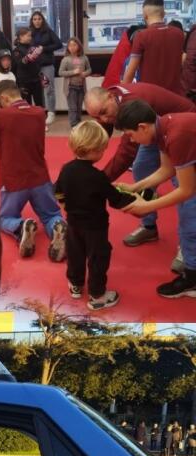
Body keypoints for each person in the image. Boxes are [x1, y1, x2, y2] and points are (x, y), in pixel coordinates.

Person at [0, 80, 67, 261]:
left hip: (14, 180)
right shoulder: (40, 113)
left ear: (3, 98)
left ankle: (20, 226)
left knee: (5, 218)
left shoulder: (1, 117)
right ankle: (58, 226)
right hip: (41, 177)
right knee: (51, 215)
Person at [113, 100, 196, 298]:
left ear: (142, 127)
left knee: (189, 223)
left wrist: (147, 206)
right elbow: (166, 170)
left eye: (131, 135)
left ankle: (192, 280)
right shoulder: (162, 128)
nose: (132, 141)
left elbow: (186, 190)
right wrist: (135, 187)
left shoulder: (176, 135)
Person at [123, 0, 184, 95]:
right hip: (176, 96)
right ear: (163, 14)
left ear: (145, 16)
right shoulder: (179, 34)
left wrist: (121, 94)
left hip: (151, 97)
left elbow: (130, 74)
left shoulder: (141, 36)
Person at [28, 11, 63, 125]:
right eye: (35, 19)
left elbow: (59, 44)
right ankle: (40, 112)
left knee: (48, 89)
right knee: (38, 91)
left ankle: (51, 112)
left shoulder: (48, 31)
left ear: (42, 20)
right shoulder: (29, 33)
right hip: (33, 67)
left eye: (39, 19)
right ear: (32, 21)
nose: (37, 21)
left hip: (46, 66)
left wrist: (44, 48)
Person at [59, 38, 91, 127]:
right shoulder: (66, 59)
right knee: (73, 108)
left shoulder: (84, 58)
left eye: (74, 45)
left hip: (81, 87)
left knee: (79, 107)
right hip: (70, 87)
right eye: (70, 46)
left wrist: (85, 73)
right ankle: (73, 125)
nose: (72, 47)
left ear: (79, 46)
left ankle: (78, 123)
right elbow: (61, 72)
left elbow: (89, 69)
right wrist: (73, 72)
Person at [12, 27, 46, 109]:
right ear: (21, 36)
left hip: (36, 80)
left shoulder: (32, 47)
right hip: (24, 81)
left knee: (40, 104)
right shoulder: (17, 51)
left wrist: (41, 76)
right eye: (28, 36)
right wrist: (28, 58)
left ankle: (40, 121)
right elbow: (20, 64)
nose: (30, 38)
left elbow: (40, 62)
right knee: (26, 105)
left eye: (30, 36)